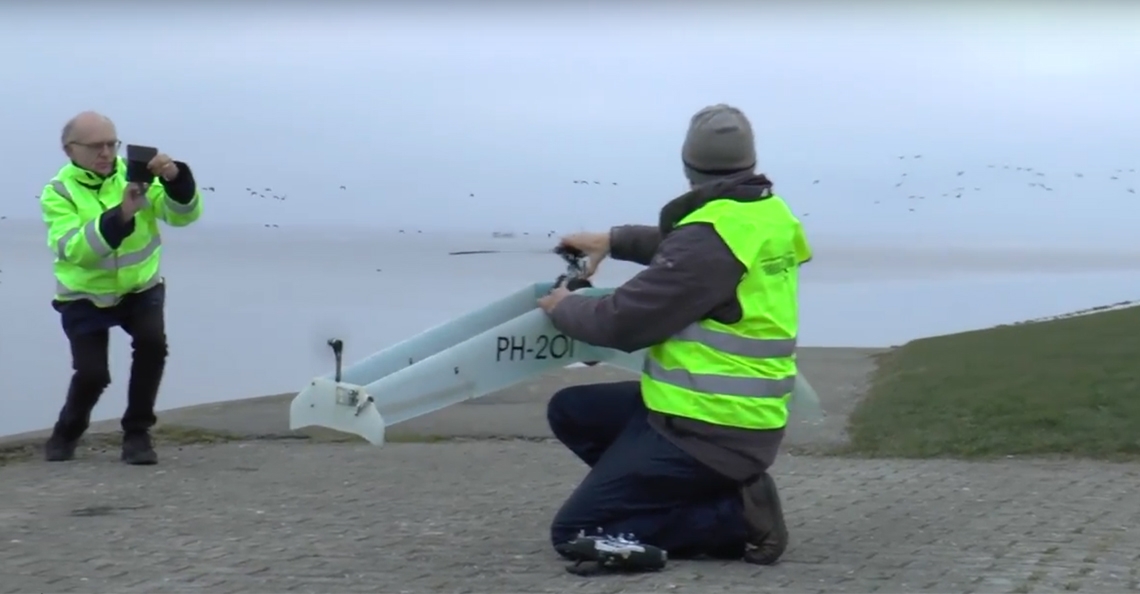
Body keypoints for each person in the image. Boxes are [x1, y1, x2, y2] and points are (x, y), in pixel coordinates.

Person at [536, 104, 812, 570]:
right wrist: (614, 240)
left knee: (577, 533)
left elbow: (620, 323)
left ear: (687, 166)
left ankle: (734, 519)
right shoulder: (764, 214)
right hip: (722, 414)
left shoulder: (712, 237)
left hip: (710, 428)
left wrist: (566, 305)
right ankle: (683, 496)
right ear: (749, 161)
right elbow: (688, 253)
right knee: (572, 411)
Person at [40, 111, 203, 465]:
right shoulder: (58, 192)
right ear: (70, 149)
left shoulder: (137, 178)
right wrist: (121, 216)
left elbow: (183, 215)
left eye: (111, 144)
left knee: (152, 346)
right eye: (96, 146)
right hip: (83, 296)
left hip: (140, 288)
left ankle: (137, 434)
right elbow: (74, 249)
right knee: (93, 375)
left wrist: (175, 178)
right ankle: (67, 430)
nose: (106, 153)